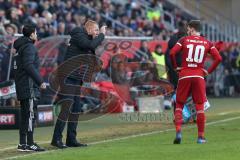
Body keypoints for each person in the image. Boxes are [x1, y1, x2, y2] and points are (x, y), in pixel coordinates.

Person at [51, 20, 106, 149]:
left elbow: (91, 51)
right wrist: (102, 35)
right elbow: (91, 46)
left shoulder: (86, 40)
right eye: (97, 30)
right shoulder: (78, 33)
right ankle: (56, 139)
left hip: (76, 79)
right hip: (68, 77)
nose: (98, 33)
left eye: (99, 31)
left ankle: (71, 139)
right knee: (67, 108)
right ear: (90, 28)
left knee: (75, 109)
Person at [170, 20, 222, 144]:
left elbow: (172, 52)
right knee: (199, 107)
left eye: (188, 29)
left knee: (179, 105)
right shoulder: (207, 42)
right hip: (199, 76)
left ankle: (178, 132)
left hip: (185, 74)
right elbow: (219, 58)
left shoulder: (184, 40)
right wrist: (208, 71)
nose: (187, 31)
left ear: (192, 29)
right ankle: (201, 137)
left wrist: (175, 67)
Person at [13, 24, 47, 151]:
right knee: (30, 115)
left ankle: (23, 143)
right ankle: (30, 143)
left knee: (25, 115)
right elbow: (28, 66)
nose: (37, 36)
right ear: (32, 34)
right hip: (29, 87)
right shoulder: (29, 47)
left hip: (22, 86)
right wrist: (40, 81)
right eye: (36, 33)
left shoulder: (19, 49)